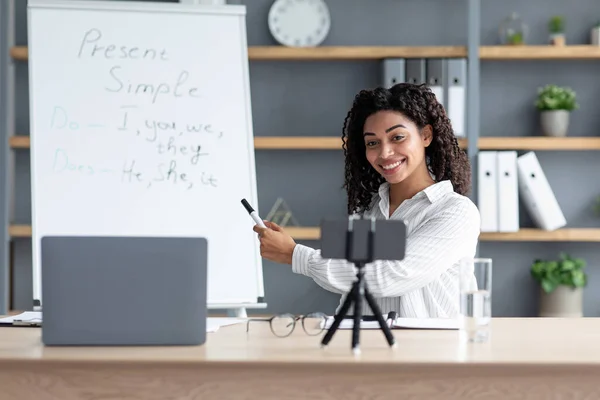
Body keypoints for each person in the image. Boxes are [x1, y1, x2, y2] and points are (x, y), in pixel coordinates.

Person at [253, 83, 481, 318]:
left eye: (398, 137)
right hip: (373, 350)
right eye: (372, 143)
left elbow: (390, 276)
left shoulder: (456, 212)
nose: (384, 153)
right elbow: (354, 289)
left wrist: (295, 254)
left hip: (431, 351)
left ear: (426, 135)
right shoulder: (370, 210)